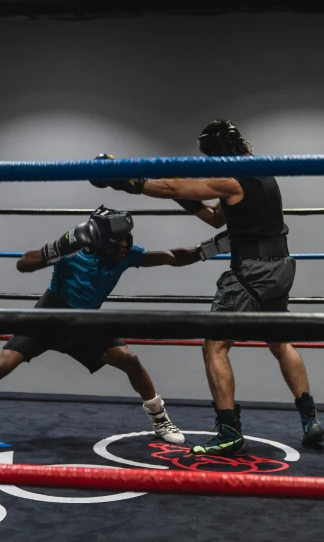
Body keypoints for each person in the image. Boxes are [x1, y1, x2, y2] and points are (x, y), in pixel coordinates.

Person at [91, 121, 324, 455]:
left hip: (253, 271)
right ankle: (310, 420)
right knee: (280, 341)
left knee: (215, 344)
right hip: (281, 267)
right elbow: (218, 218)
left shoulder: (230, 178)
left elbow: (172, 187)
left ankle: (229, 431)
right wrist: (185, 199)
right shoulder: (262, 173)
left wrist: (127, 181)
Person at [0, 204, 217, 447]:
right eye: (118, 238)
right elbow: (24, 264)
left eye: (127, 237)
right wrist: (57, 247)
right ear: (100, 238)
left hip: (86, 322)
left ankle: (159, 419)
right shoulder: (71, 253)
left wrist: (211, 249)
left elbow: (172, 257)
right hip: (48, 316)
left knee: (130, 360)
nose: (125, 243)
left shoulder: (125, 256)